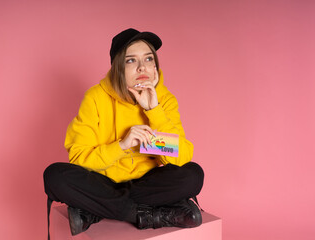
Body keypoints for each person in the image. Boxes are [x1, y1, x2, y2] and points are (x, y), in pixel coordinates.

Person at [43, 28, 204, 238]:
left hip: (147, 184)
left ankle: (95, 211)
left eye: (148, 59)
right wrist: (122, 145)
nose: (142, 67)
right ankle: (149, 215)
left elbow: (181, 157)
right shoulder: (95, 97)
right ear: (118, 67)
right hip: (105, 181)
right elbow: (79, 157)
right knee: (55, 176)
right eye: (131, 61)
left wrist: (153, 111)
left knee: (193, 175)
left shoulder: (164, 99)